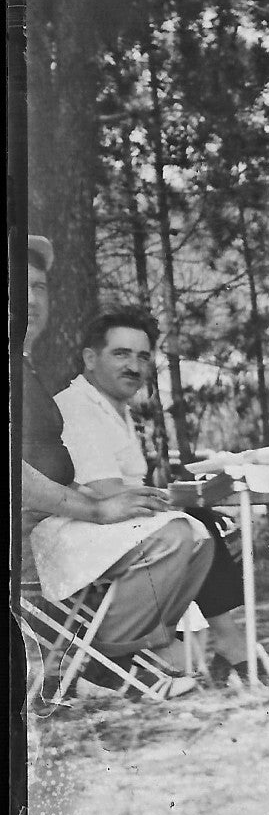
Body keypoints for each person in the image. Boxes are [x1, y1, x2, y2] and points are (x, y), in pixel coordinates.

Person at [19, 235, 213, 690]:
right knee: (180, 533)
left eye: (39, 287)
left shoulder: (23, 366)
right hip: (30, 540)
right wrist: (93, 508)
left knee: (200, 534)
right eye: (17, 284)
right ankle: (100, 664)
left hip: (53, 525)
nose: (29, 299)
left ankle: (112, 660)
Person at [55, 308, 253, 670]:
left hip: (111, 528)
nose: (134, 366)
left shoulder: (115, 408)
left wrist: (186, 499)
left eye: (142, 356)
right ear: (90, 358)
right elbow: (108, 493)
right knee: (188, 527)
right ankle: (115, 657)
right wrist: (179, 502)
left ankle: (216, 644)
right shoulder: (76, 407)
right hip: (79, 530)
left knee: (200, 521)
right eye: (121, 354)